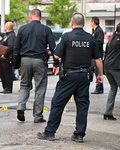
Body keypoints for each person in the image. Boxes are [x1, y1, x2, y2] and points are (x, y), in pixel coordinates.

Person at [37, 13, 103, 142]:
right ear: (83, 24)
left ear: (71, 24)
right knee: (82, 105)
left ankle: (50, 132)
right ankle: (79, 134)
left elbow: (56, 55)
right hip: (84, 76)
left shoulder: (66, 37)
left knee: (58, 103)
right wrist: (100, 75)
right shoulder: (90, 38)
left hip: (68, 76)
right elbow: (98, 59)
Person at [13, 9, 57, 123]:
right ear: (40, 17)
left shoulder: (22, 29)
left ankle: (21, 107)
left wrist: (16, 64)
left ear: (30, 17)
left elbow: (16, 48)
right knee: (40, 88)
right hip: (39, 61)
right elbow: (53, 47)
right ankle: (37, 116)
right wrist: (56, 63)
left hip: (25, 60)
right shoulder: (46, 29)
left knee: (24, 85)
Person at [103, 23, 120, 120]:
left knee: (113, 88)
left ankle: (108, 113)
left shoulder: (111, 39)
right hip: (115, 68)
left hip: (107, 67)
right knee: (113, 88)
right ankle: (108, 113)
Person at [0, 22, 16, 94]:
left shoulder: (12, 36)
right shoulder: (7, 35)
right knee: (3, 74)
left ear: (7, 27)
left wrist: (5, 55)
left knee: (7, 74)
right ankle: (5, 87)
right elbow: (4, 35)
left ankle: (8, 88)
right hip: (2, 58)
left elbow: (11, 47)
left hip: (7, 58)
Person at [90, 16, 104, 94]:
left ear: (93, 22)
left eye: (91, 21)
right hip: (94, 54)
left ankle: (99, 88)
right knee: (95, 70)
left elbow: (99, 42)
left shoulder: (99, 31)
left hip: (98, 54)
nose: (90, 23)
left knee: (98, 71)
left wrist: (93, 45)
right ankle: (98, 87)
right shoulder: (94, 31)